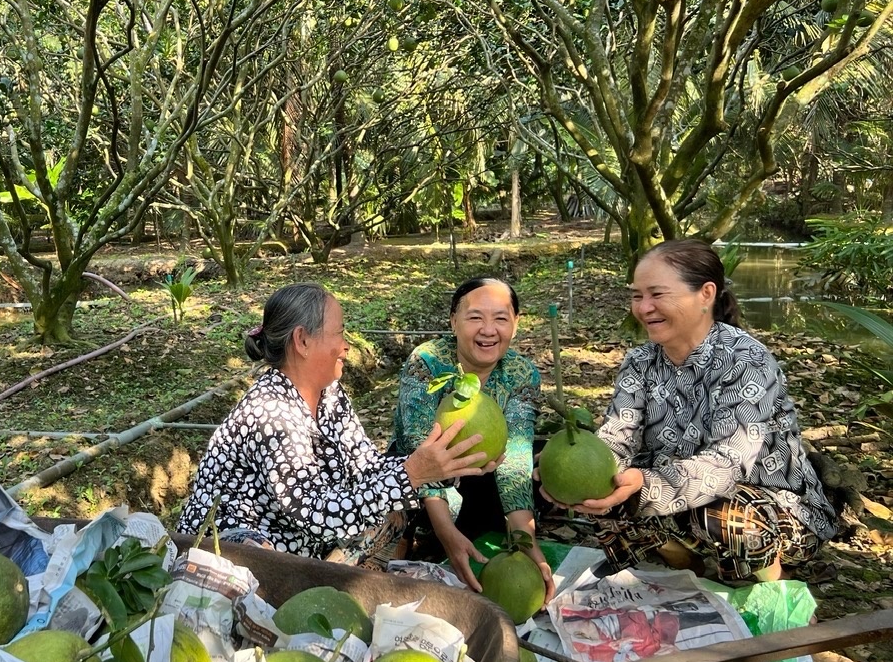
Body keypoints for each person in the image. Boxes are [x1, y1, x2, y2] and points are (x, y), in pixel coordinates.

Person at [541, 239, 837, 582]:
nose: (644, 307)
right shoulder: (640, 362)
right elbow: (617, 438)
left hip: (771, 507)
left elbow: (726, 466)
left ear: (706, 294)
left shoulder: (745, 362)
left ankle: (772, 582)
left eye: (657, 294)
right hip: (678, 495)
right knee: (601, 490)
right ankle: (686, 572)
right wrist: (569, 470)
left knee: (724, 515)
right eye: (637, 296)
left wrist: (645, 484)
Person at [176, 282, 497, 565]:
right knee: (256, 553)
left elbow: (367, 468)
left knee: (390, 512)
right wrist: (412, 473)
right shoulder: (270, 413)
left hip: (305, 536)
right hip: (235, 539)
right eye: (339, 333)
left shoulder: (328, 393)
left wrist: (437, 465)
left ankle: (331, 581)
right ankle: (316, 588)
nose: (346, 346)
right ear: (302, 341)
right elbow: (316, 513)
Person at [390, 277, 552, 598]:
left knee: (530, 483)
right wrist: (445, 530)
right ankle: (407, 535)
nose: (488, 330)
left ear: (516, 325)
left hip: (485, 473)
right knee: (396, 490)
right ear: (454, 322)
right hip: (423, 470)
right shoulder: (428, 362)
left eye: (501, 319)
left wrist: (527, 542)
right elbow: (418, 446)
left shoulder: (522, 374)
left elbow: (516, 458)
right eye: (475, 317)